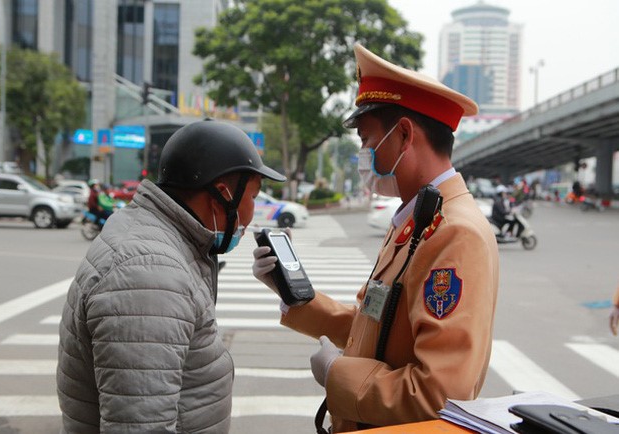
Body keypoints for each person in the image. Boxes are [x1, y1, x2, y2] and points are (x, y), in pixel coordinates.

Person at [253, 43, 499, 432]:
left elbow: (441, 394)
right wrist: (291, 293)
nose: (365, 155)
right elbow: (375, 327)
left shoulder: (455, 232)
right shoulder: (418, 218)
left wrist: (338, 375)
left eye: (368, 141)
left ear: (404, 135)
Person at [56, 120, 286, 433]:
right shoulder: (148, 275)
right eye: (254, 198)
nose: (253, 212)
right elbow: (140, 425)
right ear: (223, 194)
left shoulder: (162, 240)